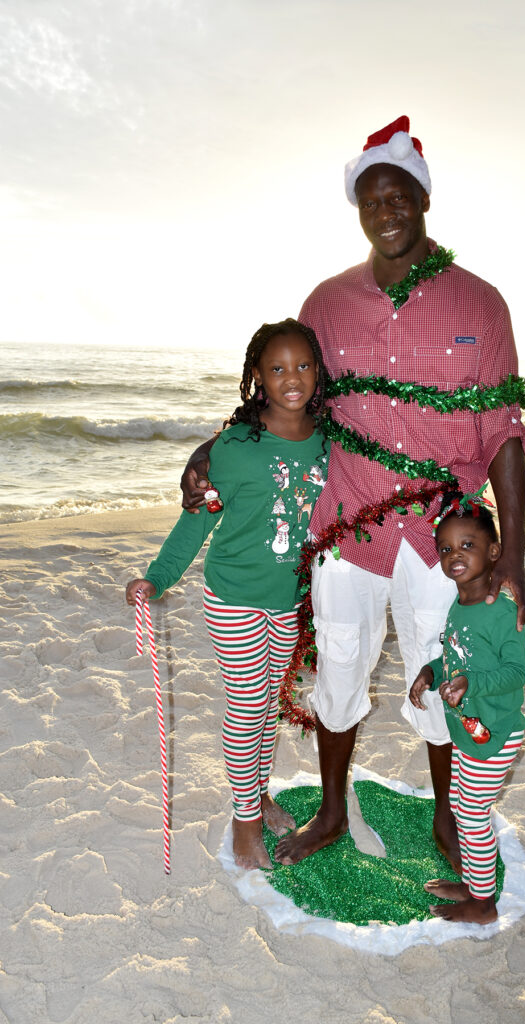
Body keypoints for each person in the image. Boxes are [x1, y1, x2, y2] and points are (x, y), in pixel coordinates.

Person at [181, 116, 525, 869]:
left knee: (445, 675)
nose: (386, 209)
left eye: (398, 194)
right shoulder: (327, 303)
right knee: (338, 673)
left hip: (446, 540)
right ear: (359, 209)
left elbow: (504, 429)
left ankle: (447, 817)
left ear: (422, 198)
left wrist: (516, 556)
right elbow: (287, 399)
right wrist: (215, 447)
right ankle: (333, 812)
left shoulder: (480, 304)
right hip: (346, 528)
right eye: (371, 198)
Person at [126, 319, 329, 870]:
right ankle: (243, 825)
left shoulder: (329, 444)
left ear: (319, 370)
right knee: (244, 709)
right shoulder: (235, 448)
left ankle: (257, 795)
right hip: (233, 598)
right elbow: (195, 522)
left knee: (267, 711)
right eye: (278, 368)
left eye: (303, 365)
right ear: (258, 378)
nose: (293, 378)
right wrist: (157, 577)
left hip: (289, 600)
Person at [409, 490, 525, 924]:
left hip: (494, 731)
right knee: (462, 806)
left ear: (494, 551)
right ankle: (476, 885)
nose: (454, 555)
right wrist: (432, 671)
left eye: (467, 545)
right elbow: (457, 658)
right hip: (467, 729)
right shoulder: (460, 604)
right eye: (445, 548)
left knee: (473, 815)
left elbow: (516, 672)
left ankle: (483, 904)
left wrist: (470, 683)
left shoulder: (500, 610)